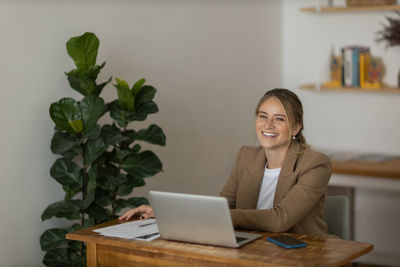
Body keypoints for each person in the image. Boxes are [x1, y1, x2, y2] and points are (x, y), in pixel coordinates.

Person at [119, 88, 332, 238]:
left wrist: (220, 216)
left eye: (279, 118)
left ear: (295, 128)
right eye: (262, 116)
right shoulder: (246, 156)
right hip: (252, 249)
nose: (268, 125)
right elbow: (221, 207)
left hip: (299, 254)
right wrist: (165, 213)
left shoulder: (315, 164)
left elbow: (279, 220)